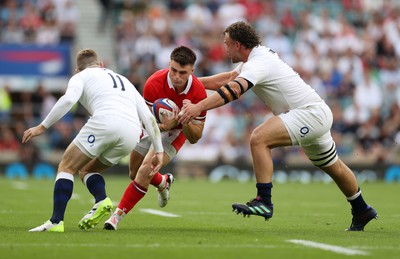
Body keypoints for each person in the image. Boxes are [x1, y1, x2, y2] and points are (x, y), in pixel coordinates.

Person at [179, 21, 378, 231]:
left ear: (238, 45)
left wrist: (197, 107)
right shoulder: (255, 58)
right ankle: (362, 208)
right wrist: (188, 82)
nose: (225, 48)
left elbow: (233, 90)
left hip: (308, 114)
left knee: (259, 138)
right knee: (333, 166)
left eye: (227, 43)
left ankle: (264, 201)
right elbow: (228, 78)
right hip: (314, 113)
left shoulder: (258, 62)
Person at [23, 49, 163, 232]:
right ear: (101, 65)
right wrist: (159, 150)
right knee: (87, 169)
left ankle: (56, 222)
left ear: (77, 69)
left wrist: (42, 127)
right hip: (132, 132)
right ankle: (100, 200)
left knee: (66, 166)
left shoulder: (80, 77)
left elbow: (68, 100)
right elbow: (149, 117)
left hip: (105, 121)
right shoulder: (124, 80)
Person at [101, 46, 207, 230]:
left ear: (192, 71)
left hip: (176, 133)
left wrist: (186, 117)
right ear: (169, 64)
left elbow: (195, 137)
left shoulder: (198, 93)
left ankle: (116, 216)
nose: (176, 76)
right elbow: (143, 121)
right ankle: (163, 182)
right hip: (153, 126)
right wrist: (164, 125)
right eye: (173, 70)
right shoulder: (154, 82)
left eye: (183, 72)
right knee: (134, 173)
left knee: (144, 171)